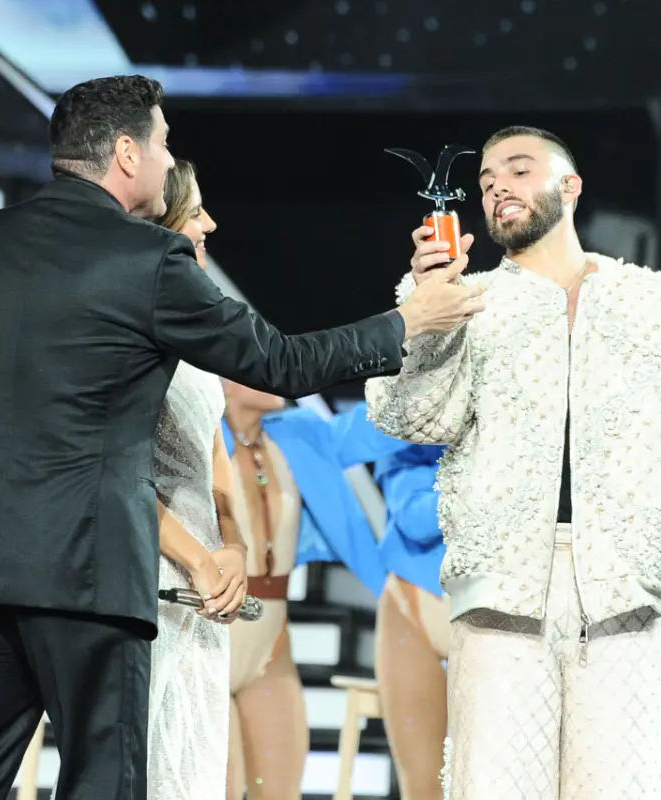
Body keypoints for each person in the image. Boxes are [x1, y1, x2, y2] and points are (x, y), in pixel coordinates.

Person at [0, 74, 486, 800]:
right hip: (91, 576)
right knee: (106, 783)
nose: (172, 162)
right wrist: (410, 321)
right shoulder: (147, 261)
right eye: (165, 144)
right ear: (127, 154)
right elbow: (280, 362)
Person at [365, 125, 661, 799]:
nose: (498, 188)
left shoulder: (658, 307)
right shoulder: (470, 304)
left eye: (518, 170)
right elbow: (411, 417)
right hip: (501, 598)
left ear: (569, 187)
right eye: (488, 181)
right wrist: (426, 308)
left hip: (627, 595)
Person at [48, 159, 243, 800]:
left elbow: (216, 449)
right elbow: (115, 467)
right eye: (196, 213)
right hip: (145, 581)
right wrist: (198, 559)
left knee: (194, 773)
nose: (210, 223)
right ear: (159, 228)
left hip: (206, 585)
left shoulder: (201, 322)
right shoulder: (125, 330)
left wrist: (232, 546)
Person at [219, 387, 409, 800]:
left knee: (282, 790)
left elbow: (378, 429)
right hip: (210, 639)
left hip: (270, 642)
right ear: (227, 376)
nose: (277, 375)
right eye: (260, 362)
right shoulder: (198, 437)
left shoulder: (298, 434)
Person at [372, 443, 449, 800]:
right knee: (422, 786)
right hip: (414, 604)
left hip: (496, 612)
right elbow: (416, 521)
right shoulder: (405, 440)